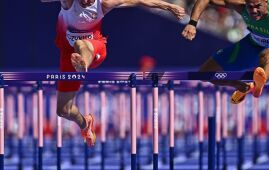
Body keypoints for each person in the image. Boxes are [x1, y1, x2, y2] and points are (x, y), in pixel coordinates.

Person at [41, 0, 185, 146]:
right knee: (63, 110)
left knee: (80, 44)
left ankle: (82, 63)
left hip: (95, 48)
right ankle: (86, 125)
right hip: (69, 54)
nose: (85, 2)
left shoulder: (104, 3)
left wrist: (169, 6)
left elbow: (138, 1)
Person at [182, 0, 269, 104]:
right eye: (251, 7)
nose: (254, 11)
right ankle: (241, 86)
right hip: (251, 44)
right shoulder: (241, 7)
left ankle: (259, 85)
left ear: (266, 3)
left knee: (267, 55)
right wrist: (192, 23)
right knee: (204, 73)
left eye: (258, 6)